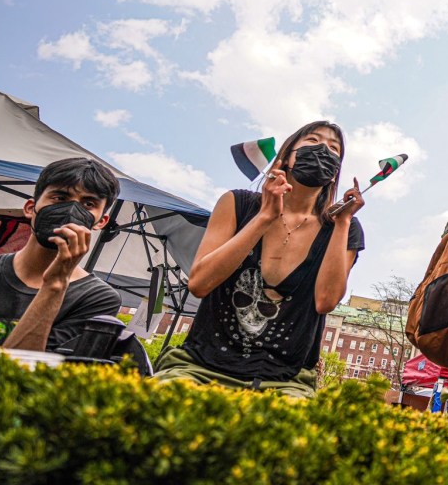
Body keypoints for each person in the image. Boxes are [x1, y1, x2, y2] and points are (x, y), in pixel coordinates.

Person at [153, 121, 365, 397]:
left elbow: (325, 301)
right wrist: (264, 217)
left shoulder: (342, 228)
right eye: (313, 141)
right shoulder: (237, 204)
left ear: (336, 170)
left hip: (286, 381)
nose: (323, 149)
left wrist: (342, 223)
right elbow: (200, 283)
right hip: (200, 368)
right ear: (287, 157)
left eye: (333, 148)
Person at [0, 158, 122, 352]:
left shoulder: (96, 297)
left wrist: (57, 282)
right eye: (60, 198)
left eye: (88, 203)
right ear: (30, 208)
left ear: (100, 222)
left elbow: (30, 370)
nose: (71, 210)